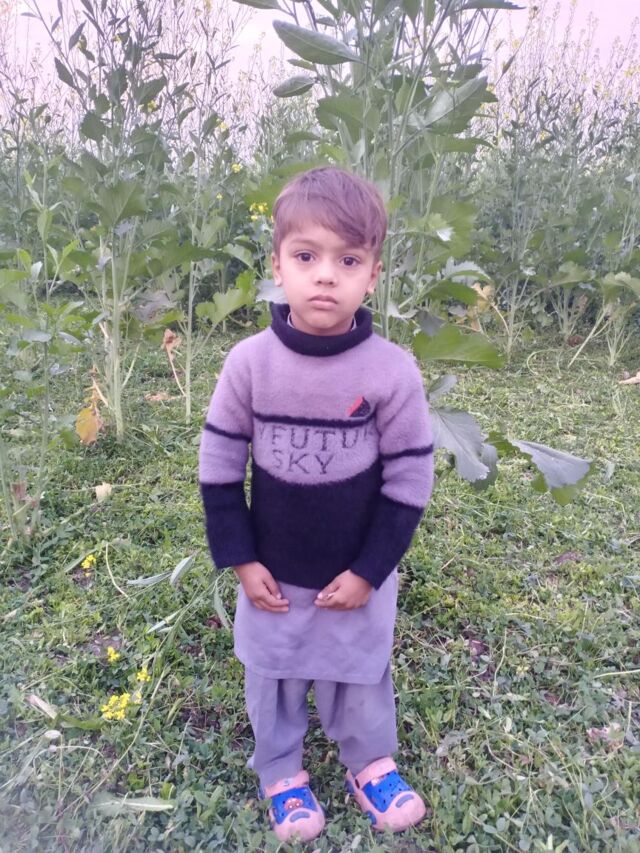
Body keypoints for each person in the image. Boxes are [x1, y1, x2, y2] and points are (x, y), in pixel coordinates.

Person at [199, 167, 435, 842]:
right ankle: (281, 771)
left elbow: (409, 482)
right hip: (273, 571)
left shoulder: (391, 371)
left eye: (348, 260)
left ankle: (371, 763)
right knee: (272, 669)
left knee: (359, 667)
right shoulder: (249, 364)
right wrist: (241, 560)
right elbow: (219, 469)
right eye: (306, 256)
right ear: (277, 265)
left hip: (354, 572)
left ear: (374, 274)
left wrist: (370, 571)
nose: (326, 275)